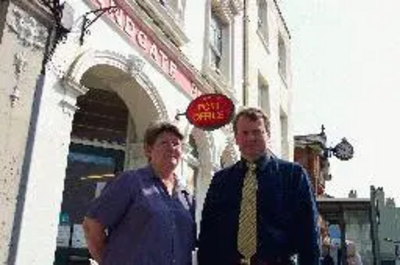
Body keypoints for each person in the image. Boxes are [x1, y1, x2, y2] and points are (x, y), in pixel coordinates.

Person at [197, 107, 320, 265]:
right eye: (245, 133)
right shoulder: (221, 180)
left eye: (257, 132)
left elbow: (309, 234)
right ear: (236, 138)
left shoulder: (293, 175)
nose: (251, 138)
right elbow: (208, 235)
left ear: (268, 136)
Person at [82, 121, 195, 265]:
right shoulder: (130, 182)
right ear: (148, 150)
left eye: (176, 143)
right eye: (164, 143)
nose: (171, 148)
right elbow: (91, 227)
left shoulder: (185, 195)